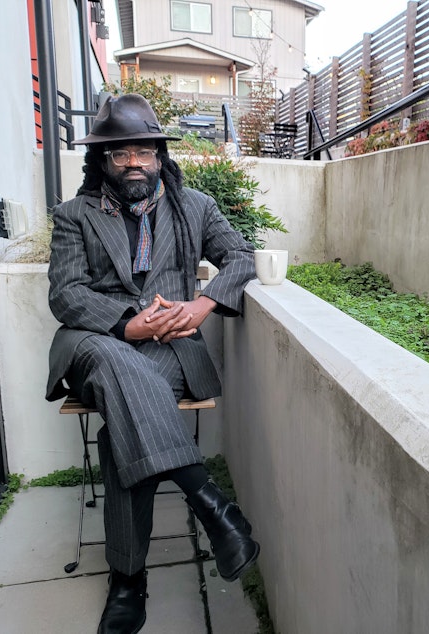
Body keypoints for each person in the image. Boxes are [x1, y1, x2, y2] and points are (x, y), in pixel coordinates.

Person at [45, 93, 260, 634]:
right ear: (102, 161)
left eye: (143, 150)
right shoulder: (75, 216)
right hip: (96, 344)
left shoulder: (196, 208)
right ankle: (211, 505)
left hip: (169, 350)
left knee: (124, 429)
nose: (134, 161)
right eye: (120, 153)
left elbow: (240, 257)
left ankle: (128, 579)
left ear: (161, 155)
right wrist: (126, 323)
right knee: (118, 366)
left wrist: (203, 304)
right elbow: (66, 294)